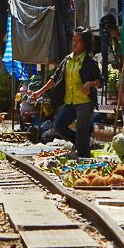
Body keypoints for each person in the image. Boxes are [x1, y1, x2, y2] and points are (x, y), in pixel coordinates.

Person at [30, 28, 103, 158]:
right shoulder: (67, 60)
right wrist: (39, 92)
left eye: (78, 41)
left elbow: (100, 81)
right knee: (59, 126)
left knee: (82, 131)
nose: (74, 44)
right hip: (69, 102)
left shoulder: (89, 62)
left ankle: (83, 158)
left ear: (85, 43)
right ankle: (84, 144)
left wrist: (90, 83)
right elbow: (55, 78)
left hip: (85, 103)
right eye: (73, 40)